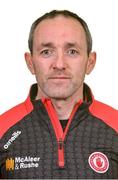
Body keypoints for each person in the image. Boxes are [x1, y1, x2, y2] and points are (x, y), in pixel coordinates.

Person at [0, 10, 118, 179]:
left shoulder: (115, 125)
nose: (60, 64)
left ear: (90, 62)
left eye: (72, 51)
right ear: (30, 63)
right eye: (47, 51)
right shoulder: (2, 129)